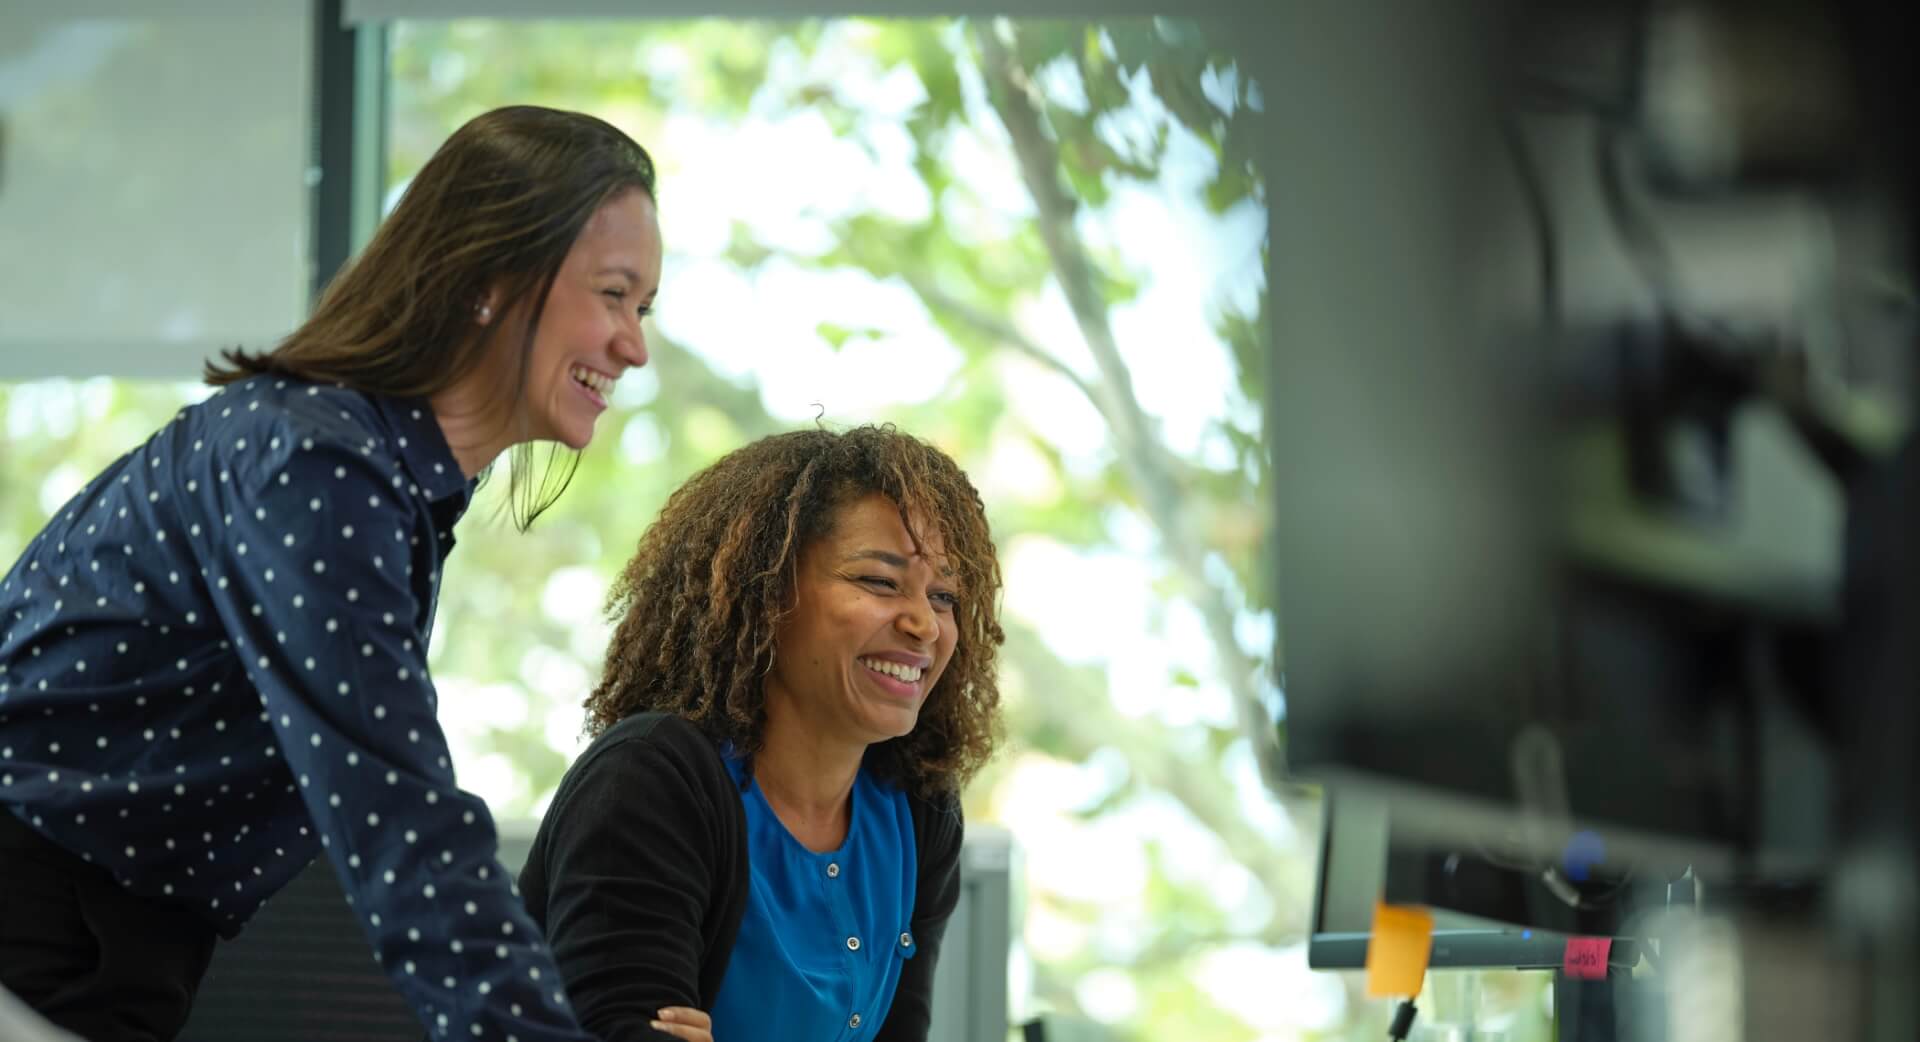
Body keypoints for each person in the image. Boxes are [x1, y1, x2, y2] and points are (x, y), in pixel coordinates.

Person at [0, 104, 671, 1042]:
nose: (634, 345)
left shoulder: (390, 483)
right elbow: (404, 827)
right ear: (490, 278)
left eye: (643, 310)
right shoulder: (315, 464)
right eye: (613, 295)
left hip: (112, 945)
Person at [520, 426, 1005, 1042]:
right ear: (765, 591)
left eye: (943, 596)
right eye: (879, 582)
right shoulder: (650, 783)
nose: (923, 625)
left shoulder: (918, 808)